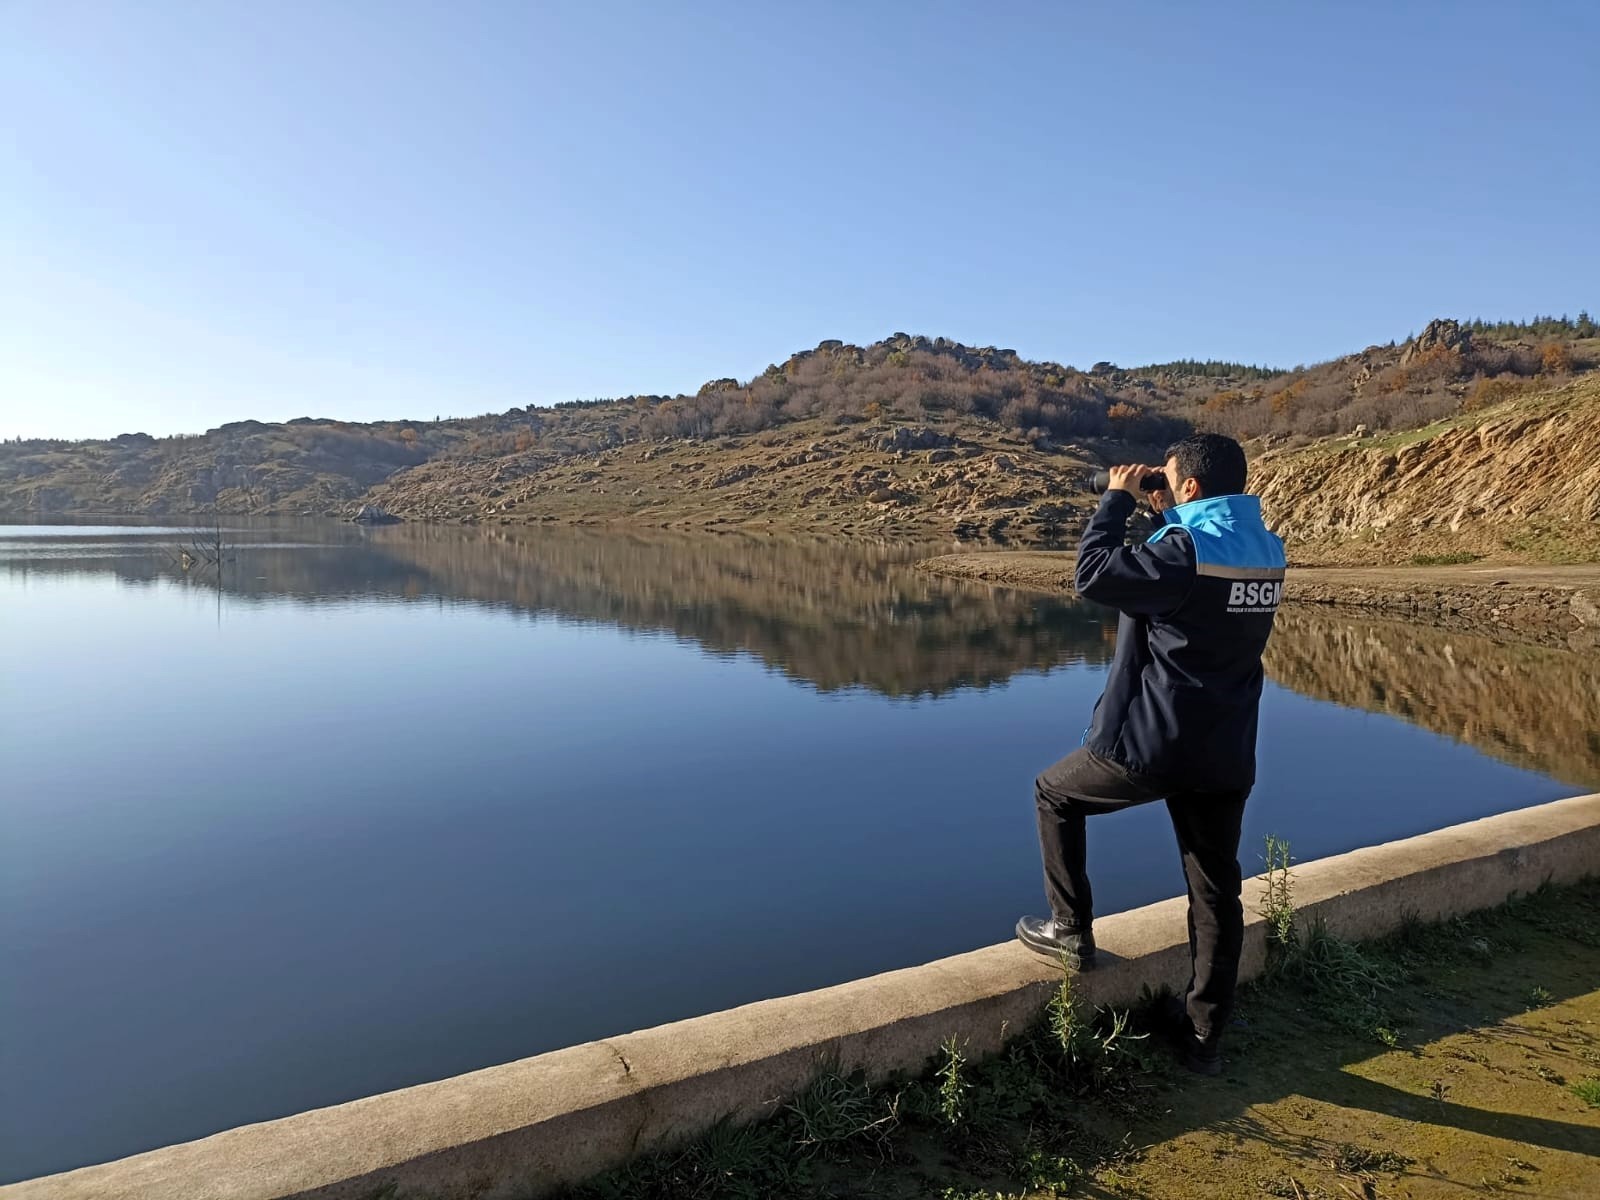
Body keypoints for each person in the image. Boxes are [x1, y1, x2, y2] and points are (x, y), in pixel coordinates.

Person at [1015, 433, 1285, 1075]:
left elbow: (1094, 574)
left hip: (1152, 744)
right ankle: (1204, 1033)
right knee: (1216, 887)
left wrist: (1115, 500)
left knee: (1053, 794)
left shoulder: (1181, 551)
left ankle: (1070, 933)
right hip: (1226, 749)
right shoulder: (1265, 549)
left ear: (1190, 486)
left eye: (1169, 478)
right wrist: (1165, 510)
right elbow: (1194, 587)